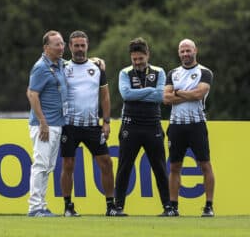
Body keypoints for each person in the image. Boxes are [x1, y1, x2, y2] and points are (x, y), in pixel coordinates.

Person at [60, 30, 119, 217]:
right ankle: (68, 206)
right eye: (76, 46)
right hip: (69, 125)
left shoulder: (97, 68)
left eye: (82, 46)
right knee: (68, 165)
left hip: (93, 124)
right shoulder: (63, 67)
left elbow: (105, 96)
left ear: (87, 46)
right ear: (70, 47)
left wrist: (107, 121)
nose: (79, 49)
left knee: (106, 163)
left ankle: (110, 206)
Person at [114, 37, 173, 216]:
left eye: (140, 58)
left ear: (147, 55)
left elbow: (160, 96)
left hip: (152, 125)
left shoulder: (159, 71)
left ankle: (168, 208)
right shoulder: (125, 72)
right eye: (134, 59)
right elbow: (126, 94)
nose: (137, 63)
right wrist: (149, 91)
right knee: (124, 167)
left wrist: (138, 94)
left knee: (160, 167)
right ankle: (118, 207)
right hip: (130, 125)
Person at [163, 39, 215, 217]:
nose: (185, 54)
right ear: (179, 53)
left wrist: (177, 92)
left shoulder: (205, 72)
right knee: (175, 166)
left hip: (196, 125)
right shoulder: (173, 73)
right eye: (182, 51)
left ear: (195, 51)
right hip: (176, 125)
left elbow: (199, 94)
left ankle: (208, 206)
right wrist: (187, 94)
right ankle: (173, 206)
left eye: (188, 51)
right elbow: (166, 99)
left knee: (204, 164)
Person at [26, 30, 68, 217]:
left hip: (56, 123)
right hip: (44, 124)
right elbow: (33, 95)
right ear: (46, 48)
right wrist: (43, 122)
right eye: (57, 44)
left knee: (48, 167)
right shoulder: (41, 67)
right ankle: (35, 207)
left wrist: (97, 60)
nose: (61, 47)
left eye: (62, 43)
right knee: (41, 165)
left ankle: (41, 205)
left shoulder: (59, 64)